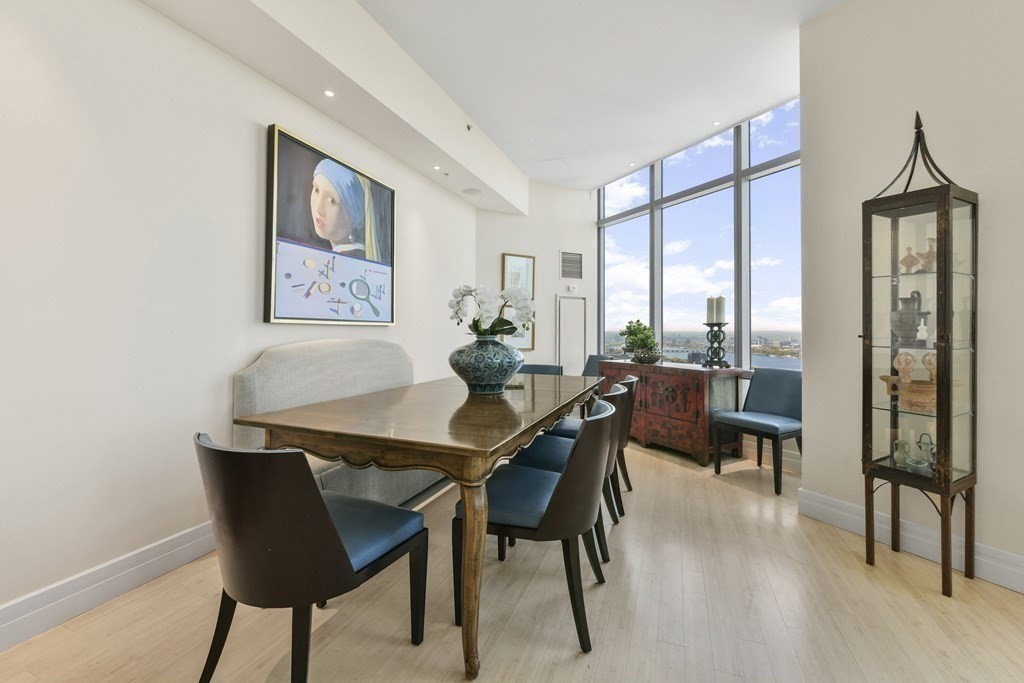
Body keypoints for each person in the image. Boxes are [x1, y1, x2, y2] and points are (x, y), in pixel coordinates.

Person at [310, 158, 366, 258]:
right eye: (316, 190)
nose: (319, 209)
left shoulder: (346, 259)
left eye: (332, 201)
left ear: (353, 215)